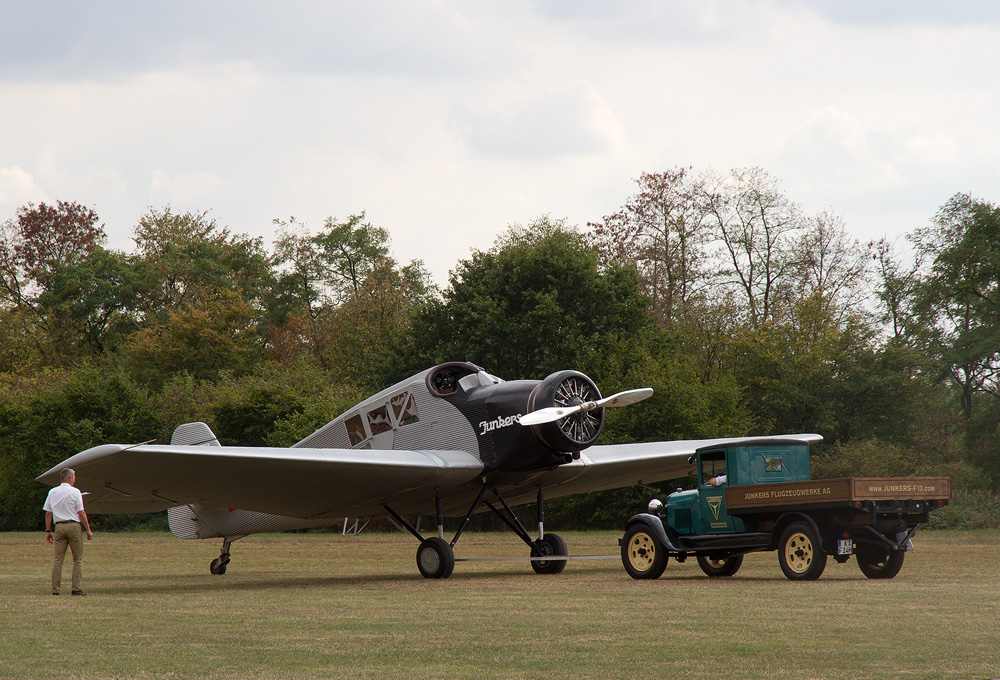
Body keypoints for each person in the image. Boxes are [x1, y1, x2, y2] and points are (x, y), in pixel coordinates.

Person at [43, 468, 93, 595]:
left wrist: (48, 531)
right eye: (74, 476)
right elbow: (81, 512)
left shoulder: (52, 492)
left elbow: (48, 513)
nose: (75, 478)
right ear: (70, 478)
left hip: (59, 527)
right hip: (73, 526)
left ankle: (55, 590)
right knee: (77, 559)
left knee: (58, 560)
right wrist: (88, 530)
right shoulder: (75, 492)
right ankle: (75, 588)